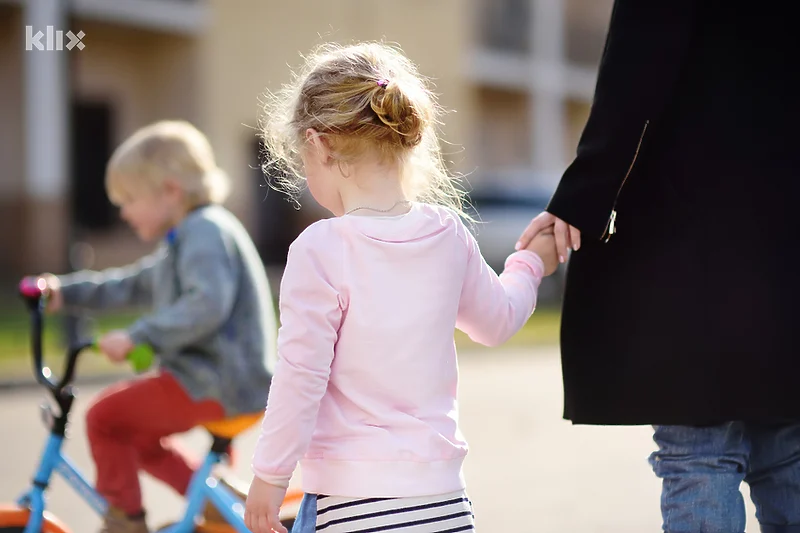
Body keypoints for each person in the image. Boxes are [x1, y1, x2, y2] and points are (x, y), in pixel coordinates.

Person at [242, 42, 559, 533]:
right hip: (444, 504)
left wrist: (269, 475)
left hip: (351, 505)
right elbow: (498, 322)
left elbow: (300, 376)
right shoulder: (446, 232)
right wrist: (531, 262)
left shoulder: (321, 247)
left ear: (319, 144)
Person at [516, 2, 800, 531]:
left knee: (700, 451)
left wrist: (581, 197)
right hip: (784, 247)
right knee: (787, 450)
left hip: (697, 238)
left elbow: (637, 70)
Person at [38, 120, 276, 533]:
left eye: (129, 199)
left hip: (220, 381)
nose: (123, 212)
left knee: (106, 418)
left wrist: (137, 336)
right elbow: (129, 284)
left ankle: (124, 521)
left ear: (170, 190)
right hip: (220, 380)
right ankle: (217, 501)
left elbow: (206, 305)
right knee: (142, 438)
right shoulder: (184, 239)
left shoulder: (204, 231)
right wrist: (64, 291)